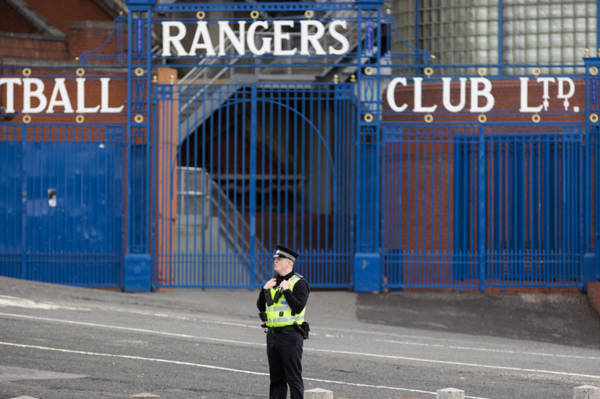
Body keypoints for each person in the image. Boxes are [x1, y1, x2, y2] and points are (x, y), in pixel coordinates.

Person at [257, 245, 310, 399]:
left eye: (279, 260)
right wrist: (264, 290)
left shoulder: (299, 283)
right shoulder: (273, 282)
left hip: (290, 335)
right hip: (273, 335)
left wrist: (287, 291)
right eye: (275, 259)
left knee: (293, 378)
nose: (275, 262)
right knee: (276, 379)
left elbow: (298, 307)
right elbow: (261, 306)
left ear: (289, 263)